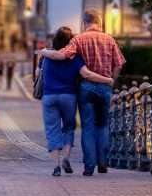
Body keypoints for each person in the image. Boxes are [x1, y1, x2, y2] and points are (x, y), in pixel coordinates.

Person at [41, 10, 125, 176]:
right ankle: (103, 163)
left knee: (87, 127)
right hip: (105, 86)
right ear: (99, 23)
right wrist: (111, 80)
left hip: (85, 87)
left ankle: (89, 167)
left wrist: (43, 52)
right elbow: (119, 64)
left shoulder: (78, 39)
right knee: (103, 125)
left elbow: (61, 55)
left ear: (84, 23)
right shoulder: (110, 39)